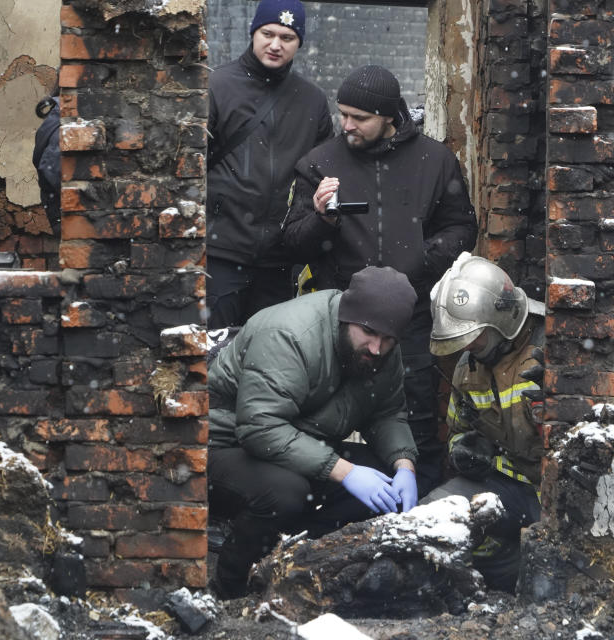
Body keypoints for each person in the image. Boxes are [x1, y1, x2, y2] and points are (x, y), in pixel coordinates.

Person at [281, 64, 477, 497]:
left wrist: (416, 263)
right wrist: (320, 219)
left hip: (412, 318)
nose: (347, 125)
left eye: (360, 117)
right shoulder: (320, 163)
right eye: (343, 114)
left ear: (389, 116)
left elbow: (462, 228)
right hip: (341, 323)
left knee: (415, 423)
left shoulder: (435, 160)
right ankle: (330, 514)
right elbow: (293, 245)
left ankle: (419, 514)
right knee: (325, 420)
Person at [207, 266, 421, 598]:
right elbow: (259, 427)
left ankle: (300, 563)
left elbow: (387, 412)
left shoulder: (381, 351)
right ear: (347, 317)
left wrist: (404, 466)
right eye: (368, 332)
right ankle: (231, 586)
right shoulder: (290, 335)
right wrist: (344, 471)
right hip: (226, 445)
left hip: (303, 444)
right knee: (286, 493)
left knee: (386, 484)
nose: (377, 348)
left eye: (388, 339)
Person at [421, 252, 546, 592]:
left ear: (499, 321)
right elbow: (457, 430)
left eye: (474, 337)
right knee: (432, 517)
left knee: (549, 577)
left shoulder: (555, 348)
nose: (469, 347)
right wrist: (462, 451)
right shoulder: (468, 368)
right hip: (506, 488)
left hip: (555, 494)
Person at [206, 0, 333, 328]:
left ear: (299, 43)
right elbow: (189, 167)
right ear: (254, 32)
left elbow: (318, 175)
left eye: (288, 37)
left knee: (266, 361)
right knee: (211, 357)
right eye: (268, 33)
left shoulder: (313, 101)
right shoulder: (217, 87)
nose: (276, 45)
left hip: (279, 262)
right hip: (221, 254)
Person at [32, 87, 60, 235]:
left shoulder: (56, 115)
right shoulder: (62, 122)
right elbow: (51, 168)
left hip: (59, 213)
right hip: (65, 214)